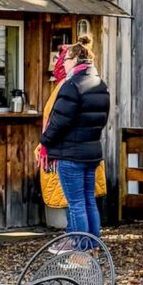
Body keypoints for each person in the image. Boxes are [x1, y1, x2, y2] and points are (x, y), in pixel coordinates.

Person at [40, 36, 110, 237]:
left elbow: (60, 121)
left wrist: (45, 141)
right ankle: (93, 246)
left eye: (66, 60)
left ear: (76, 59)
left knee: (76, 204)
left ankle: (81, 252)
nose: (63, 63)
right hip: (91, 150)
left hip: (70, 152)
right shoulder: (100, 84)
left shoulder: (71, 85)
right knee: (89, 200)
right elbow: (102, 119)